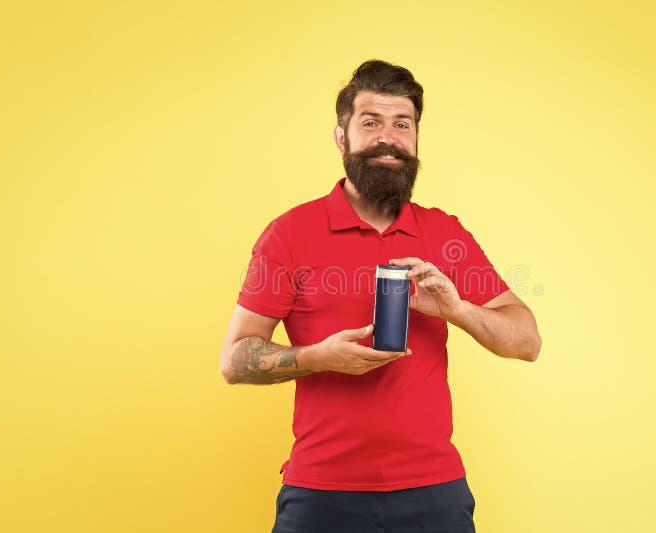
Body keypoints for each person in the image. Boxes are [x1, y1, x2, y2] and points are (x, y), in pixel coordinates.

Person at [220, 59, 541, 533]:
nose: (387, 137)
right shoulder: (289, 234)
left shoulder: (443, 232)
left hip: (434, 492)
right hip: (321, 493)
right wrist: (318, 357)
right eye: (370, 123)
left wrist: (457, 309)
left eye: (401, 124)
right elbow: (234, 360)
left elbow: (526, 342)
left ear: (415, 138)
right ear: (341, 137)